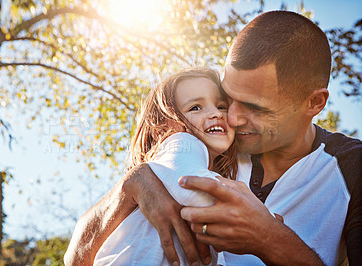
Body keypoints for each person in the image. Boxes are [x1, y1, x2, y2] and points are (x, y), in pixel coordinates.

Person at [65, 11, 362, 266]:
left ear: (314, 103)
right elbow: (76, 258)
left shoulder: (352, 169)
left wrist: (270, 238)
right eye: (228, 98)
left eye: (255, 108)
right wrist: (131, 186)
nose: (231, 117)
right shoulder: (213, 147)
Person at [93, 67, 236, 265]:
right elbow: (195, 189)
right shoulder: (182, 142)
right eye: (196, 107)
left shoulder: (196, 162)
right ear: (165, 126)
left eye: (221, 106)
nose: (216, 114)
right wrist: (261, 218)